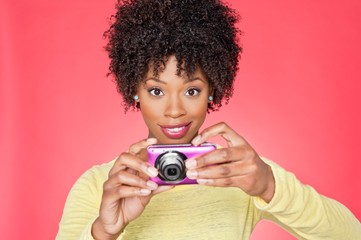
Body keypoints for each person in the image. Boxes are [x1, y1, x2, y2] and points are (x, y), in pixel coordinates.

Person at [56, 0, 361, 239]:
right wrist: (103, 232)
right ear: (134, 91)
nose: (174, 110)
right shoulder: (102, 185)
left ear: (212, 91)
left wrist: (270, 186)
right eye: (156, 90)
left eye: (191, 90)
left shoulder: (241, 174)